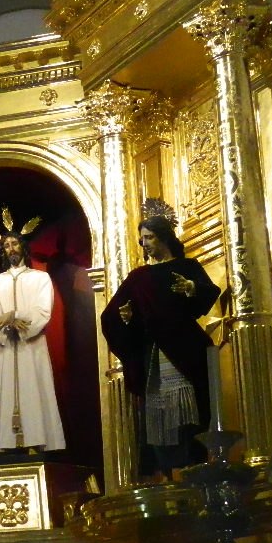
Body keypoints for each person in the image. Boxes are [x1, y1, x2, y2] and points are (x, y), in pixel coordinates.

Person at [100, 205, 221, 479]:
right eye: (142, 238)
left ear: (164, 237)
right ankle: (166, 471)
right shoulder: (138, 278)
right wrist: (127, 318)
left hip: (185, 347)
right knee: (158, 412)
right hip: (154, 352)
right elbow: (111, 316)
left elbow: (209, 292)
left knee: (189, 408)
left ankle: (194, 466)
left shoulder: (187, 267)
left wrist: (191, 288)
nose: (145, 243)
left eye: (150, 237)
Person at [0, 208, 66, 456]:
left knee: (33, 389)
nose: (11, 248)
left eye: (15, 243)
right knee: (4, 392)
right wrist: (3, 324)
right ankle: (5, 444)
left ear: (23, 246)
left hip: (30, 345)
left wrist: (16, 316)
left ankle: (36, 441)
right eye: (6, 245)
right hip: (5, 347)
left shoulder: (40, 279)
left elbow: (43, 309)